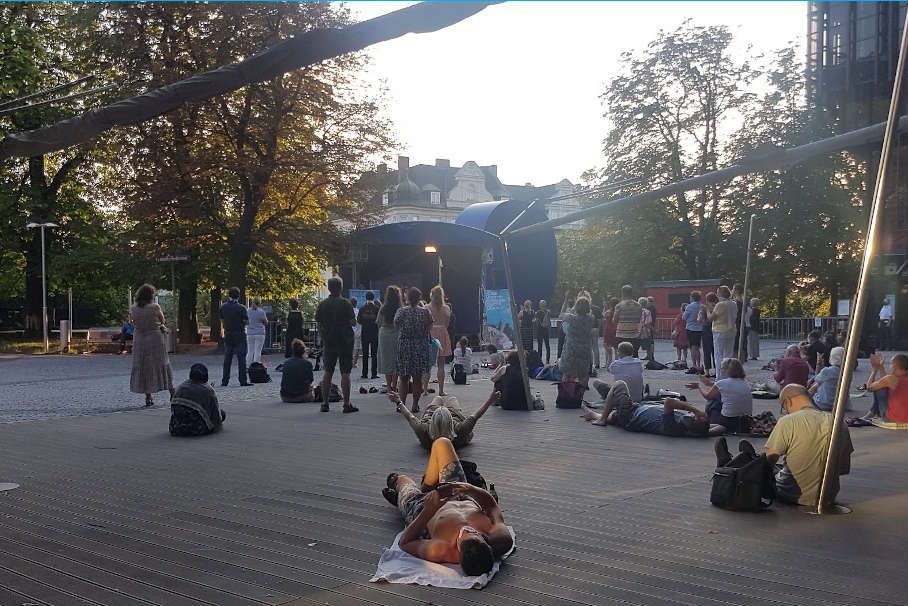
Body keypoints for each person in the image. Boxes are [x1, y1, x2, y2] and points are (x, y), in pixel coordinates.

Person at [383, 437, 513, 576]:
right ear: (488, 545)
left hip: (423, 508)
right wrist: (471, 489)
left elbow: (405, 543)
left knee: (402, 483)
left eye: (466, 534)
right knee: (442, 443)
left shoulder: (441, 549)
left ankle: (399, 486)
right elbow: (492, 506)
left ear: (458, 550)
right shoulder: (501, 539)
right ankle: (428, 485)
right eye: (476, 533)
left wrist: (429, 510)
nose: (470, 530)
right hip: (460, 494)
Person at [759, 383, 853, 508]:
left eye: (783, 407)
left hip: (791, 493)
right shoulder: (838, 422)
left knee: (770, 470)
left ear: (788, 401)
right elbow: (843, 468)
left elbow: (769, 462)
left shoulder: (788, 421)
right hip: (828, 495)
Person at [580, 380, 715, 437]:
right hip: (634, 412)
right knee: (607, 394)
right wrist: (707, 429)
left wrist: (696, 410)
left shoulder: (673, 427)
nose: (693, 416)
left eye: (694, 418)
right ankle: (594, 414)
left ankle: (602, 418)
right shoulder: (687, 425)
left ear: (693, 426)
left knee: (619, 384)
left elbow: (668, 402)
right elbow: (721, 427)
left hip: (630, 415)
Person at [390, 390, 499, 450]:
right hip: (452, 414)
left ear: (432, 421)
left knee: (438, 398)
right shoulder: (459, 429)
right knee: (452, 399)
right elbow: (476, 415)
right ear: (450, 421)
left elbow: (409, 416)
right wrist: (490, 401)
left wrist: (399, 402)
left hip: (432, 414)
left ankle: (440, 408)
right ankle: (449, 409)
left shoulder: (423, 429)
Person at [315, 277, 357, 413]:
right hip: (345, 341)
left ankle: (325, 403)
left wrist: (324, 337)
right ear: (341, 287)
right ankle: (346, 403)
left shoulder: (323, 304)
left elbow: (319, 324)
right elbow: (353, 322)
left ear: (328, 288)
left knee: (328, 371)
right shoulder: (346, 303)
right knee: (346, 371)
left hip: (329, 341)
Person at [129, 284, 174, 407]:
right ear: (150, 295)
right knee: (162, 363)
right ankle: (171, 391)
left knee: (144, 365)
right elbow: (162, 320)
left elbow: (133, 322)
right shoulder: (155, 307)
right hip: (155, 339)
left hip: (140, 339)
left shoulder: (133, 308)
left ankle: (148, 396)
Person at [396, 287, 433, 413]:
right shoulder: (425, 312)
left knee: (404, 378)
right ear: (419, 298)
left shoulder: (401, 311)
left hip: (405, 345)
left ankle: (401, 405)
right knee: (417, 378)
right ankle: (415, 405)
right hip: (420, 345)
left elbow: (396, 324)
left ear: (407, 298)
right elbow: (429, 326)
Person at [697, 357, 753, 434]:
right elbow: (727, 386)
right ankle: (723, 427)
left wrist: (698, 387)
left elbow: (707, 396)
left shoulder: (722, 383)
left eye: (723, 369)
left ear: (727, 370)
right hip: (745, 419)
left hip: (728, 418)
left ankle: (711, 427)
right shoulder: (745, 382)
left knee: (714, 399)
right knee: (721, 396)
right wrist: (709, 383)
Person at [169, 363, 226, 436]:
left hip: (175, 428)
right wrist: (217, 427)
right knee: (222, 413)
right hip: (196, 429)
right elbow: (216, 415)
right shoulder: (208, 390)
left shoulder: (180, 387)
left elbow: (173, 410)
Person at [559, 295, 594, 385]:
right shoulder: (591, 319)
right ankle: (581, 392)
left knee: (567, 373)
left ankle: (566, 392)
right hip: (585, 350)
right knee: (583, 374)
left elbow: (561, 314)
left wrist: (566, 299)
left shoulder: (571, 318)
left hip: (571, 350)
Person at [863, 353, 908, 422]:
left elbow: (869, 388)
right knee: (882, 385)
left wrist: (874, 370)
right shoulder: (895, 379)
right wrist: (881, 367)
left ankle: (872, 413)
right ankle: (871, 413)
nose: (890, 366)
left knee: (879, 388)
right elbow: (885, 381)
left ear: (895, 366)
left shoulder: (890, 379)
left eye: (891, 364)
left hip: (893, 419)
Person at [220, 287, 250, 387]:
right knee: (241, 358)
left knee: (227, 358)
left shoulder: (223, 307)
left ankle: (225, 381)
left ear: (229, 295)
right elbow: (246, 322)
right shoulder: (241, 308)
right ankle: (243, 380)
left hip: (228, 333)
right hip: (239, 333)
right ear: (238, 296)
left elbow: (222, 320)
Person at [706, 286, 736, 380]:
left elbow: (711, 318)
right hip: (731, 330)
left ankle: (720, 376)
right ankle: (728, 375)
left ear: (720, 293)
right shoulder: (733, 303)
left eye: (717, 292)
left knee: (718, 355)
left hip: (720, 331)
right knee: (728, 354)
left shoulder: (720, 304)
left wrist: (707, 311)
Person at [428, 286, 453, 397]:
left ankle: (424, 389)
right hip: (442, 333)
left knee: (426, 364)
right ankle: (441, 390)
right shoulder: (446, 308)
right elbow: (447, 324)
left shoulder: (426, 307)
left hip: (430, 333)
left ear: (431, 295)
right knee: (441, 365)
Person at [377, 285, 402, 395]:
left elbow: (378, 321)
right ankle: (395, 384)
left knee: (386, 359)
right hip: (397, 333)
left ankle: (388, 387)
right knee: (396, 359)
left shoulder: (383, 307)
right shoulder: (400, 308)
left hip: (384, 333)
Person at [810, 346, 849, 412]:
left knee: (814, 387)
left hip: (824, 404)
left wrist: (818, 364)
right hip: (841, 405)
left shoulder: (827, 371)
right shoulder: (846, 372)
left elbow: (816, 379)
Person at [280, 338, 315, 403]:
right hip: (301, 395)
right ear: (303, 351)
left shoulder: (285, 363)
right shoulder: (307, 364)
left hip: (285, 396)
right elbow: (311, 379)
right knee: (312, 389)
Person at [613, 285, 643, 357]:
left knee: (622, 355)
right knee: (634, 354)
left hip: (621, 333)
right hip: (634, 333)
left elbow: (614, 320)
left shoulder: (619, 306)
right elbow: (639, 319)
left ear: (622, 293)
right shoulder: (638, 305)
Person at [358, 291, 381, 379]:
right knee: (374, 354)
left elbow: (359, 320)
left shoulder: (362, 308)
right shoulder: (376, 308)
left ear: (366, 298)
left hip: (365, 333)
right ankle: (374, 374)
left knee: (365, 354)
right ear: (373, 298)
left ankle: (364, 373)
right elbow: (379, 321)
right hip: (374, 333)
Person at [683, 291, 703, 374]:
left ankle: (694, 365)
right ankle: (699, 364)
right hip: (700, 329)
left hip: (691, 328)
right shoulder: (702, 306)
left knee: (692, 348)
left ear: (692, 297)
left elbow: (684, 317)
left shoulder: (689, 306)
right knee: (697, 348)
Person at [245, 297, 268, 366]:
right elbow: (266, 322)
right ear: (259, 303)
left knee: (250, 351)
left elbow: (246, 321)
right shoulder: (261, 312)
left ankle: (248, 365)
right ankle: (256, 365)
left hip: (250, 333)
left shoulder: (248, 311)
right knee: (258, 351)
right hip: (260, 333)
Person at [699, 292, 717, 377]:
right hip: (716, 330)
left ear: (707, 300)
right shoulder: (718, 307)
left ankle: (707, 371)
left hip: (706, 330)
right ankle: (717, 370)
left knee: (706, 351)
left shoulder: (704, 308)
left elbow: (699, 319)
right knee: (715, 351)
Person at [602, 297, 618, 368]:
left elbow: (604, 315)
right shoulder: (618, 311)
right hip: (616, 329)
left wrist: (605, 307)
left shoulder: (609, 311)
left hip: (608, 329)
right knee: (616, 347)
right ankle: (617, 362)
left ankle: (607, 363)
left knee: (607, 347)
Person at [535, 300, 551, 364]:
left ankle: (541, 360)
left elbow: (537, 322)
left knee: (541, 346)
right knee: (546, 346)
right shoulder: (548, 312)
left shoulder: (538, 312)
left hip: (541, 331)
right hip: (544, 330)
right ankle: (546, 360)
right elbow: (549, 322)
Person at [589, 299, 602, 369]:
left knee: (589, 347)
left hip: (587, 329)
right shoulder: (597, 308)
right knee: (595, 346)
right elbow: (600, 320)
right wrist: (598, 329)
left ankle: (590, 363)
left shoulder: (583, 307)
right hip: (595, 328)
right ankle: (597, 363)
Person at [350, 297, 361, 368]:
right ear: (356, 303)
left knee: (350, 347)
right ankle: (354, 363)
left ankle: (350, 362)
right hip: (357, 331)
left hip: (349, 331)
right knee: (357, 347)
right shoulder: (359, 311)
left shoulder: (348, 311)